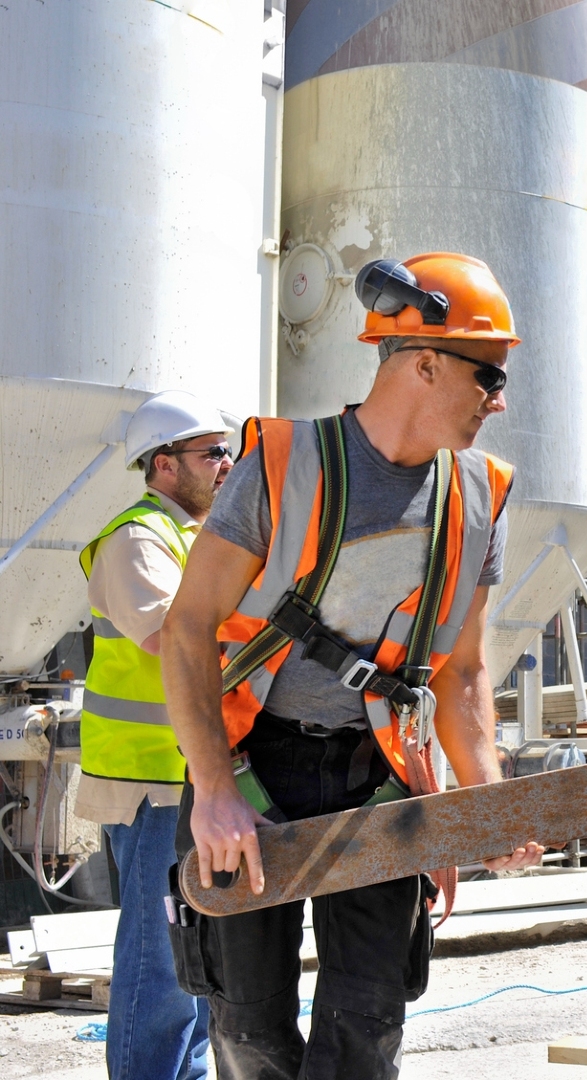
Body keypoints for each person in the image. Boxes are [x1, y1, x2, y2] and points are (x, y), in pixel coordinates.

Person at [160, 252, 544, 1079]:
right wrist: (217, 791)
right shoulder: (280, 463)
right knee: (249, 1029)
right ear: (426, 362)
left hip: (378, 776)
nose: (500, 400)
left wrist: (477, 805)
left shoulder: (480, 495)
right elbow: (189, 628)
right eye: (489, 376)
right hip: (255, 764)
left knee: (366, 1029)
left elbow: (463, 671)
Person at [76, 390, 229, 1080]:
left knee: (197, 954)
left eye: (228, 450)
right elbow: (170, 636)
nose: (227, 464)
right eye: (211, 453)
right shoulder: (139, 538)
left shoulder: (200, 537)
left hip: (194, 780)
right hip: (152, 785)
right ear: (164, 466)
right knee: (160, 959)